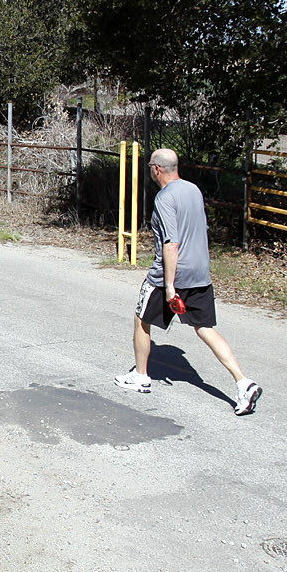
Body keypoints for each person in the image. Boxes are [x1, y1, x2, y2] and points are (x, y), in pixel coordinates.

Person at [115, 148, 262, 415]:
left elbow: (171, 243)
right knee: (204, 327)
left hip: (171, 274)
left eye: (150, 166)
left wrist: (169, 285)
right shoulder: (193, 189)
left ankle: (141, 376)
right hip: (200, 272)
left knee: (141, 318)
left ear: (156, 169)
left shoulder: (164, 198)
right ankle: (243, 383)